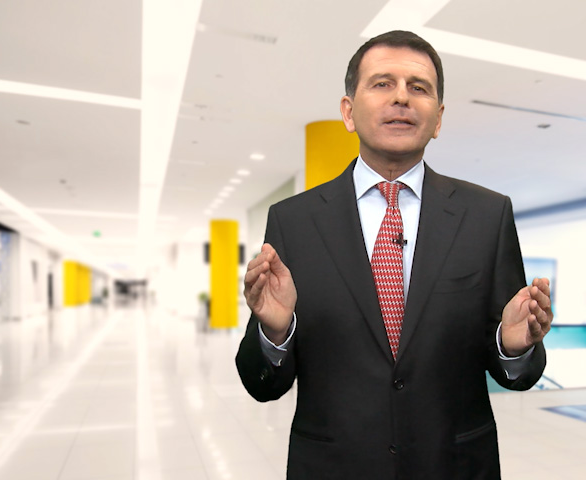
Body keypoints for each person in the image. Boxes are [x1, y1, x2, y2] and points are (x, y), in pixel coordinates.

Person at [236, 30, 552, 480]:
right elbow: (262, 385)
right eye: (382, 83)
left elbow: (514, 370)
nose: (401, 97)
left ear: (438, 119)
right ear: (349, 112)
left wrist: (511, 346)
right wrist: (275, 331)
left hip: (454, 466)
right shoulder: (294, 221)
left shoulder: (487, 216)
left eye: (418, 87)